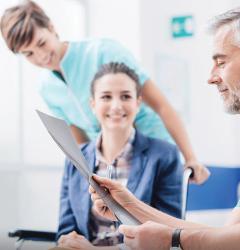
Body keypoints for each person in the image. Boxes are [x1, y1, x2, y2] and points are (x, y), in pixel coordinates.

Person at [79, 5, 240, 250]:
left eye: (221, 62)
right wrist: (129, 205)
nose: (211, 77)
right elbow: (230, 238)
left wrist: (176, 239)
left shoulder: (163, 154)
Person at [0, 0, 210, 184]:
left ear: (51, 27)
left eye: (42, 43)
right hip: (111, 163)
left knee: (159, 223)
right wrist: (90, 176)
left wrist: (190, 157)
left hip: (153, 146)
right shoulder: (47, 88)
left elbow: (161, 106)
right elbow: (79, 138)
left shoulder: (103, 52)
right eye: (29, 54)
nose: (41, 56)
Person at [57, 62, 183, 249]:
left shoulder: (164, 155)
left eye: (125, 96)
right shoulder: (74, 159)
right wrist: (67, 242)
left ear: (137, 103)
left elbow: (167, 234)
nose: (116, 106)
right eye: (106, 97)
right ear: (93, 104)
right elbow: (65, 230)